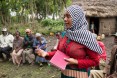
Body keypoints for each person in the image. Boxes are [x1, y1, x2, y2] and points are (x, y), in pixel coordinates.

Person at [36, 5, 102, 78]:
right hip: (65, 74)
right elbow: (59, 53)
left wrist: (76, 62)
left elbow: (95, 61)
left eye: (68, 16)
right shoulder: (65, 34)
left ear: (77, 18)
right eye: (64, 16)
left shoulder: (87, 37)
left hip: (80, 75)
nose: (64, 19)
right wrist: (47, 54)